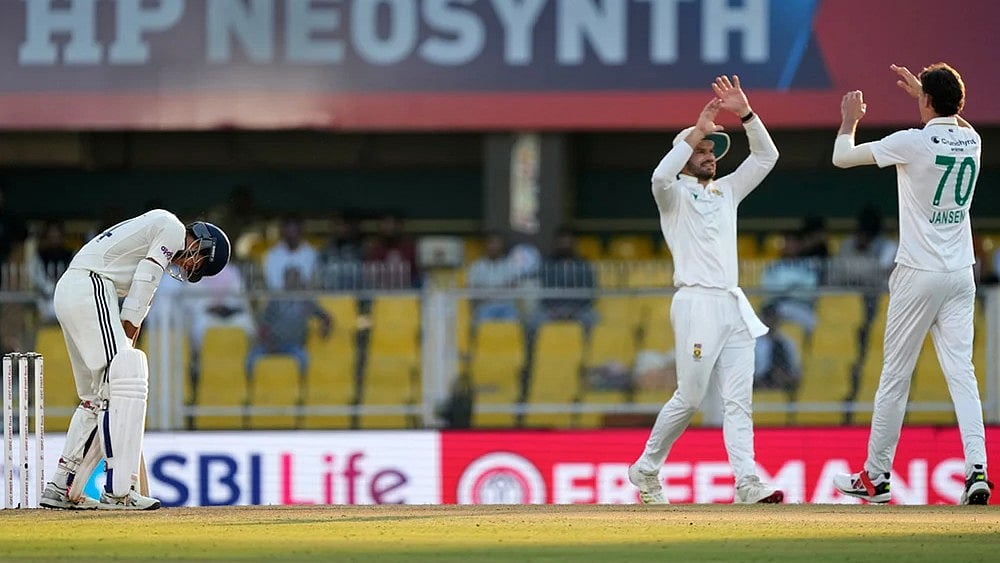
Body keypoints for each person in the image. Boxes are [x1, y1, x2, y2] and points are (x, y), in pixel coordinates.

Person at [830, 63, 993, 505]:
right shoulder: (973, 140)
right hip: (961, 272)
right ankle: (977, 470)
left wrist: (850, 120)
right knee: (963, 375)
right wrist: (931, 95)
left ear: (925, 103)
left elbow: (841, 157)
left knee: (894, 376)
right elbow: (954, 122)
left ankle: (876, 477)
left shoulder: (912, 141)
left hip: (918, 273)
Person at [627, 75, 784, 505]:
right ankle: (646, 468)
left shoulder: (727, 191)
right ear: (685, 156)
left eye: (712, 150)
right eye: (701, 150)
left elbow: (766, 157)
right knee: (691, 397)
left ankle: (748, 482)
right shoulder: (673, 193)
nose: (710, 156)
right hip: (696, 301)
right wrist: (696, 130)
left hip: (732, 303)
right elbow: (659, 175)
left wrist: (747, 113)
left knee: (739, 402)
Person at [40, 209, 230, 510]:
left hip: (73, 290)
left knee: (96, 397)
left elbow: (141, 298)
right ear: (203, 243)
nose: (191, 267)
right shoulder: (171, 228)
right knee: (127, 378)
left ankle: (61, 486)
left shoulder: (159, 234)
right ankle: (119, 491)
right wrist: (124, 357)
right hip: (90, 286)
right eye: (200, 262)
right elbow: (142, 289)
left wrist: (123, 355)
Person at [246, 266, 333, 378]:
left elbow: (326, 317)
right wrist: (268, 343)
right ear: (284, 280)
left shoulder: (306, 301)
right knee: (251, 359)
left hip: (294, 346)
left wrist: (325, 327)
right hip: (272, 344)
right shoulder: (275, 300)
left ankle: (299, 392)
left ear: (300, 280)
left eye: (295, 278)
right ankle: (250, 390)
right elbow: (263, 325)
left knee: (304, 360)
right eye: (289, 278)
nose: (292, 281)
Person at [466, 231, 520, 324]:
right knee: (484, 319)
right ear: (486, 245)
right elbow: (474, 292)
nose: (494, 246)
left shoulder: (511, 265)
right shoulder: (476, 266)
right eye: (491, 243)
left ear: (502, 246)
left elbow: (512, 288)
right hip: (484, 307)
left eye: (497, 243)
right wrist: (500, 290)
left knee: (512, 319)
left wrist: (489, 292)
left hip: (506, 306)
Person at [263, 214, 318, 290]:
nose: (291, 234)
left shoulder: (312, 254)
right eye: (288, 229)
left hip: (306, 299)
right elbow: (271, 285)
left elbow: (316, 285)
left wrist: (300, 283)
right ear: (282, 231)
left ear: (301, 230)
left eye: (294, 229)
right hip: (279, 299)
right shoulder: (272, 254)